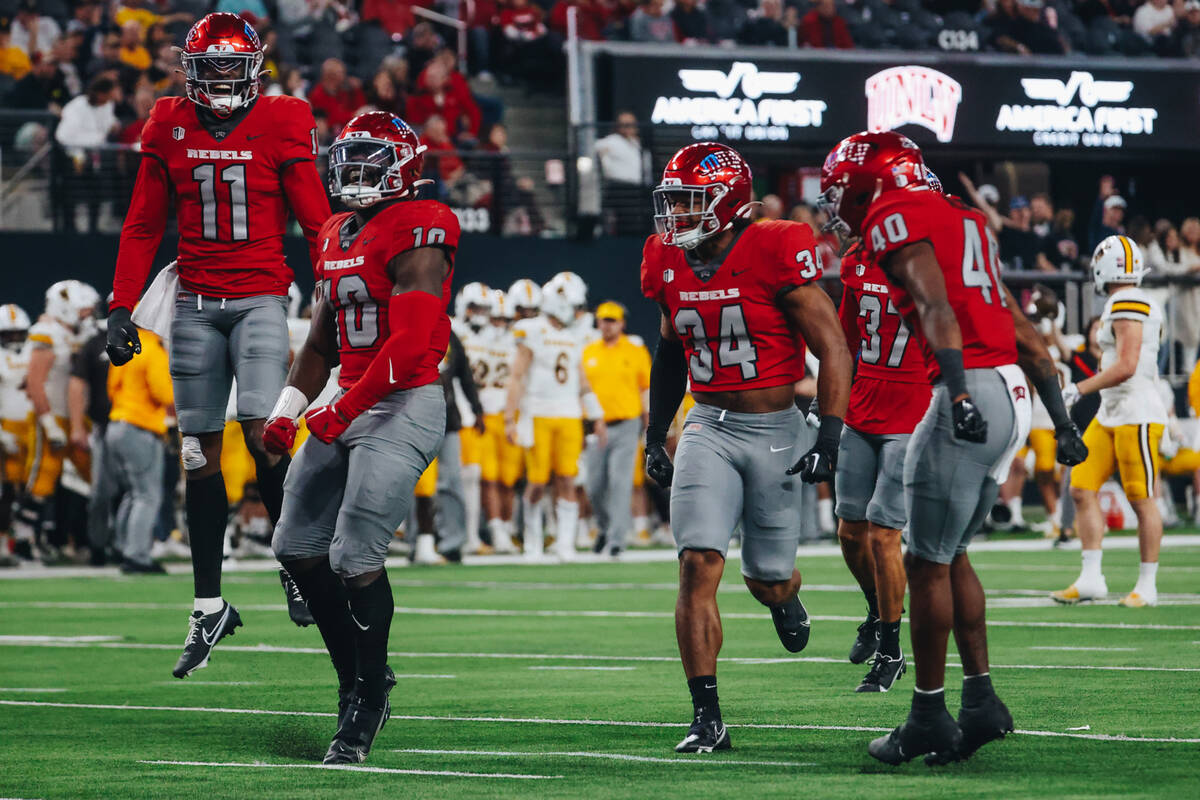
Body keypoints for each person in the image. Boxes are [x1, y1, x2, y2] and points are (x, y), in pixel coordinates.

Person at [819, 131, 1086, 765]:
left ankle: (929, 717)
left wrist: (958, 396)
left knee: (925, 560)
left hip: (969, 390)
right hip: (1013, 394)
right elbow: (1018, 328)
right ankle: (982, 702)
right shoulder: (964, 220)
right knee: (954, 553)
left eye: (841, 192)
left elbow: (936, 305)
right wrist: (1060, 419)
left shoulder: (892, 215)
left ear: (872, 186)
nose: (837, 205)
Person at [105, 14, 331, 679]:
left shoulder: (284, 117)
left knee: (265, 430)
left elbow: (316, 219)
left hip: (261, 294)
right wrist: (121, 304)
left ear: (257, 67)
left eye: (236, 67)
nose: (225, 80)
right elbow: (144, 222)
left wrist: (340, 286)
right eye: (214, 67)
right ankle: (208, 606)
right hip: (195, 304)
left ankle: (295, 560)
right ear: (192, 71)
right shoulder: (169, 121)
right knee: (198, 452)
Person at [642, 142, 853, 753]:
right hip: (708, 424)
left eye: (690, 202)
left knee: (767, 578)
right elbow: (670, 349)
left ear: (730, 204)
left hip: (775, 430)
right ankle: (706, 715)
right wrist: (657, 434)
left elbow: (833, 347)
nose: (676, 215)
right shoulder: (666, 257)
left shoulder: (774, 246)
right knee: (695, 564)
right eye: (673, 201)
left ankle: (784, 600)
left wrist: (830, 435)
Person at [263, 111, 458, 765]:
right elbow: (322, 338)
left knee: (353, 556)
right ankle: (359, 678)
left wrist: (340, 411)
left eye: (373, 158)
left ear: (405, 166)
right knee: (294, 545)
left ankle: (365, 700)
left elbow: (405, 350)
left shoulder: (419, 225)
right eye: (349, 157)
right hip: (348, 395)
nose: (356, 170)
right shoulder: (333, 230)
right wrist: (288, 408)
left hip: (403, 401)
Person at [836, 240, 930, 693]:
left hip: (911, 415)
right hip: (861, 410)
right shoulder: (856, 256)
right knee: (849, 532)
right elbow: (846, 342)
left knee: (883, 532)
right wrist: (829, 407)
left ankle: (892, 652)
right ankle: (877, 610)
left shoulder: (933, 262)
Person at [1054, 237, 1165, 608]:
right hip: (1112, 410)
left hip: (1137, 411)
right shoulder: (1122, 301)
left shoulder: (1127, 300)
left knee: (1141, 498)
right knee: (1081, 486)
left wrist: (1078, 389)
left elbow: (1127, 364)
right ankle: (1091, 578)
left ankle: (1147, 584)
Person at [504, 278, 603, 561]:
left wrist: (596, 415)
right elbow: (517, 376)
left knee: (568, 479)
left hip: (569, 414)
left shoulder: (573, 335)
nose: (577, 312)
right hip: (538, 413)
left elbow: (581, 381)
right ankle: (532, 542)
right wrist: (510, 417)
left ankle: (564, 544)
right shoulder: (532, 330)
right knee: (536, 482)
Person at [14, 281, 100, 563]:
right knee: (41, 479)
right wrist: (48, 423)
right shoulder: (46, 333)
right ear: (66, 308)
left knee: (94, 478)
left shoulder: (75, 333)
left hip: (76, 418)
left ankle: (83, 540)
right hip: (49, 416)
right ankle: (23, 542)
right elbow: (35, 383)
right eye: (84, 310)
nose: (88, 315)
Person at [582, 301, 651, 557]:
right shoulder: (588, 352)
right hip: (595, 427)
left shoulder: (634, 351)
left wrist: (650, 423)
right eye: (603, 320)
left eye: (612, 320)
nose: (607, 325)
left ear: (622, 323)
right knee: (594, 485)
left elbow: (646, 388)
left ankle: (617, 539)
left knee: (621, 482)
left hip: (626, 424)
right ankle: (603, 528)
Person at [105, 325, 173, 573]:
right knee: (147, 495)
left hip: (117, 423)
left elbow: (111, 389)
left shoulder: (126, 347)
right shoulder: (152, 349)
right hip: (139, 426)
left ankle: (124, 549)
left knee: (134, 493)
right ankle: (137, 556)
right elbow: (163, 392)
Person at [0, 305, 32, 567]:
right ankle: (3, 544)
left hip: (30, 428)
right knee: (6, 491)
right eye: (8, 335)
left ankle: (25, 542)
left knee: (28, 490)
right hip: (5, 428)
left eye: (17, 334)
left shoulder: (33, 350)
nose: (14, 340)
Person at [595, 111, 649, 185]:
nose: (628, 128)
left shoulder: (638, 144)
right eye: (625, 125)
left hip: (639, 186)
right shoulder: (613, 140)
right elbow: (596, 146)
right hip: (619, 186)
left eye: (631, 125)